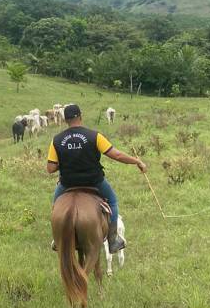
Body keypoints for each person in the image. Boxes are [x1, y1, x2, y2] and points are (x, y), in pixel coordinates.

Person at [47, 104, 147, 253]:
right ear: (81, 116)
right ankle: (113, 240)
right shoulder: (94, 136)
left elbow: (50, 168)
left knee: (56, 205)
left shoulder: (56, 140)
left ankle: (57, 238)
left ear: (65, 119)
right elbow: (116, 155)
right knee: (112, 202)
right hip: (94, 182)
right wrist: (137, 161)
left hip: (67, 184)